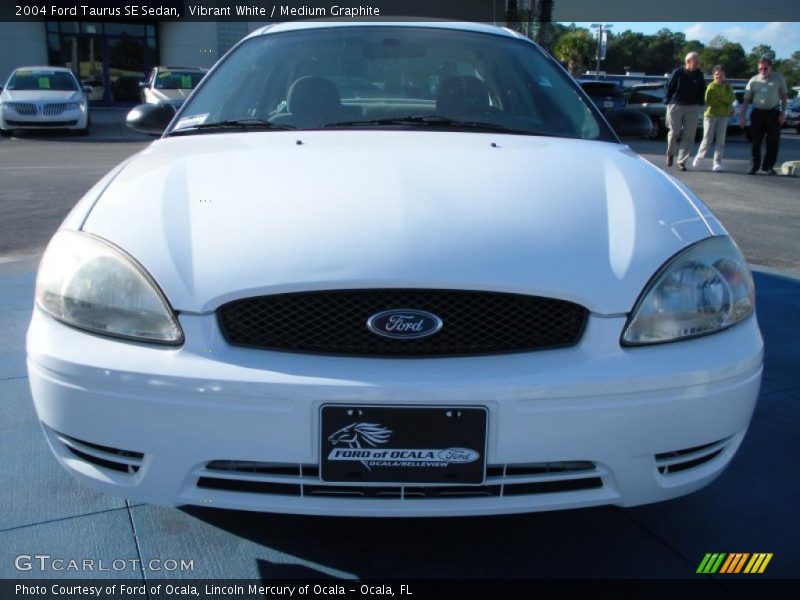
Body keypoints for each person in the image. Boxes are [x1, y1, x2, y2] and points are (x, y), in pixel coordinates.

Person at [740, 56, 789, 175]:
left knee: (773, 141)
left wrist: (783, 113)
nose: (762, 71)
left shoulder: (778, 78)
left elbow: (784, 97)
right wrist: (742, 117)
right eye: (760, 69)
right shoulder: (754, 80)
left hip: (773, 113)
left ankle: (768, 166)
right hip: (757, 113)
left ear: (770, 67)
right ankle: (754, 166)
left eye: (765, 68)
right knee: (756, 141)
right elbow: (746, 100)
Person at [665, 51, 706, 171]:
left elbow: (702, 89)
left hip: (692, 107)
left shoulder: (699, 75)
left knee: (689, 135)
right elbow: (669, 87)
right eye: (696, 61)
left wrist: (701, 102)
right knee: (674, 132)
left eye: (699, 61)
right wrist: (667, 101)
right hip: (676, 105)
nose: (698, 63)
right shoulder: (678, 72)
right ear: (688, 62)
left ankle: (681, 161)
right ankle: (670, 153)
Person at [692, 65, 735, 172]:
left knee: (720, 140)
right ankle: (699, 157)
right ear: (713, 76)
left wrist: (722, 99)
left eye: (721, 74)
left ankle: (717, 163)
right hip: (711, 115)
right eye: (716, 74)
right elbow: (710, 101)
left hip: (724, 115)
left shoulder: (728, 87)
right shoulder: (711, 87)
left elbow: (731, 99)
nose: (719, 76)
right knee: (708, 139)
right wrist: (723, 101)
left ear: (724, 76)